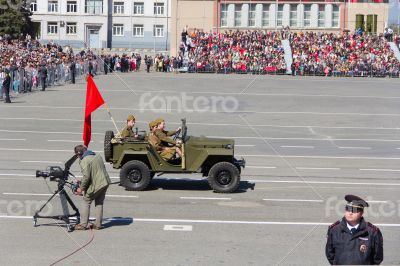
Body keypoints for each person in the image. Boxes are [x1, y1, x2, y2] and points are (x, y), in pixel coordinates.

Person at [325, 195, 383, 265]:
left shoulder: (372, 232)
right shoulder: (334, 230)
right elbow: (330, 254)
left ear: (361, 213)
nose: (350, 213)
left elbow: (377, 258)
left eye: (354, 210)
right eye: (348, 209)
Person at [73, 145, 111, 230]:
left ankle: (82, 225)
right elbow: (95, 171)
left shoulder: (84, 160)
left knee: (86, 201)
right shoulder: (97, 156)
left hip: (97, 185)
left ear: (79, 154)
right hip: (105, 182)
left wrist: (81, 188)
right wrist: (82, 182)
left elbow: (87, 176)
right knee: (99, 203)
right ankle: (97, 225)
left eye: (77, 155)